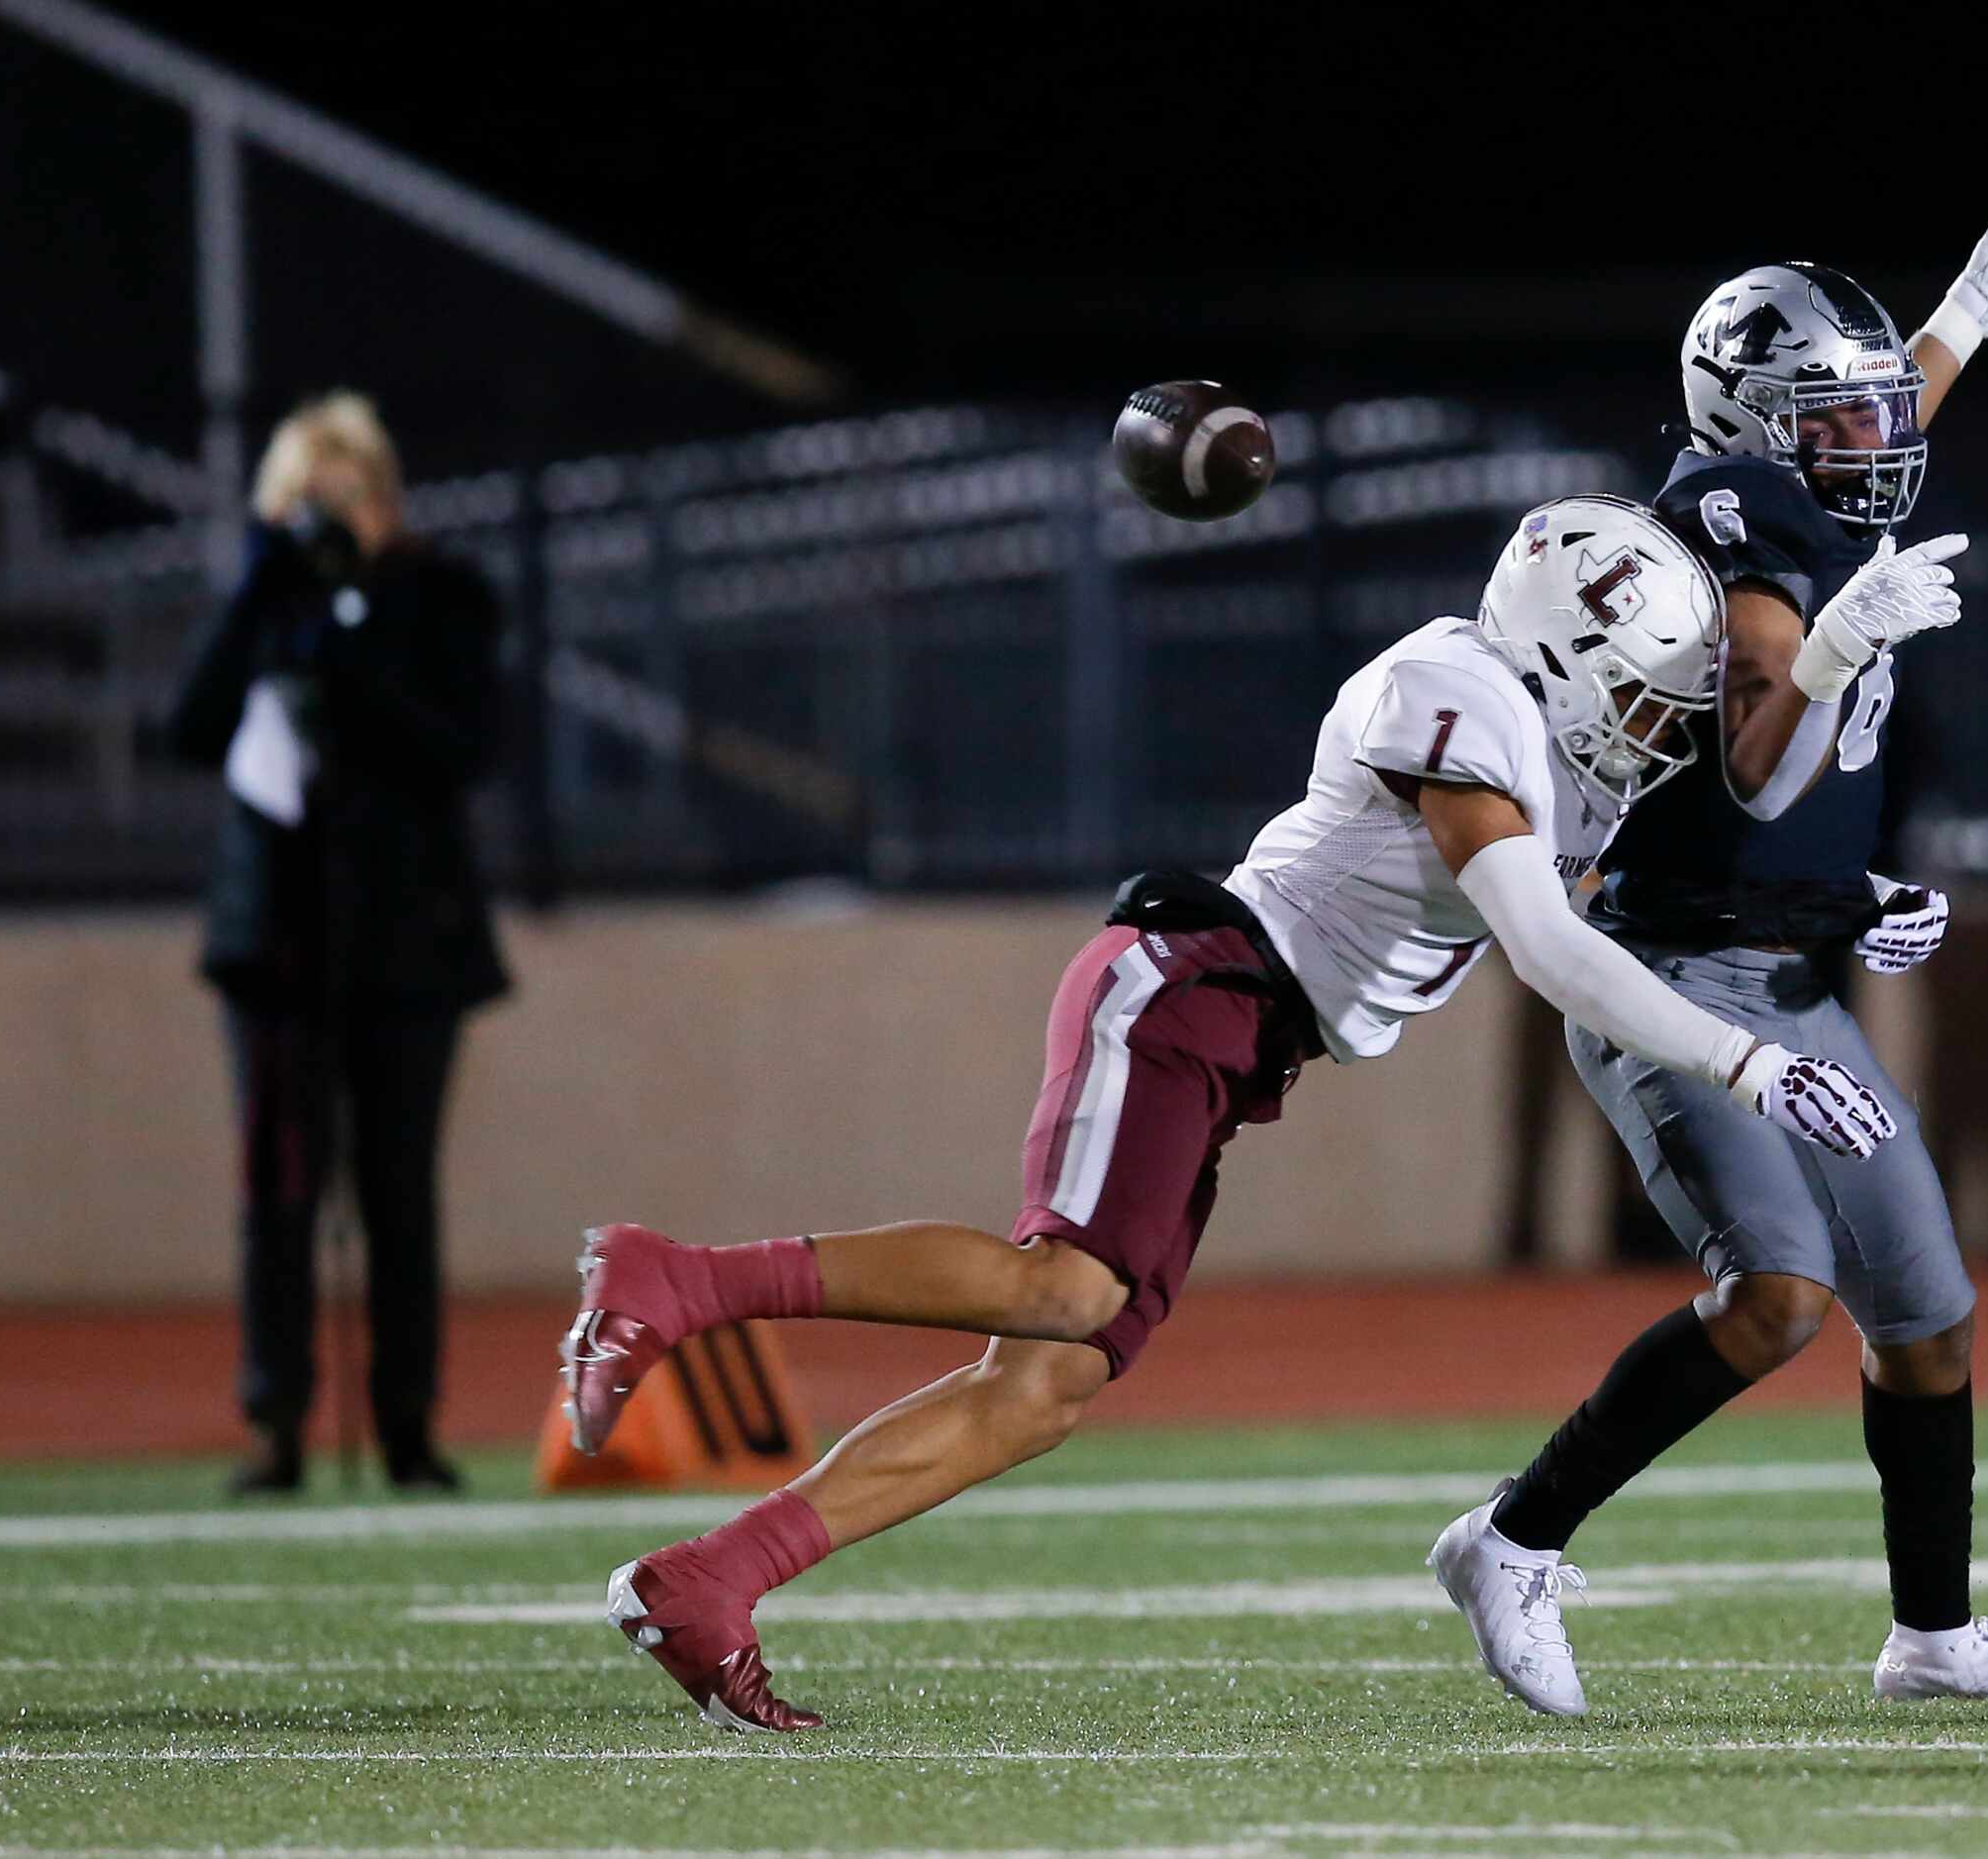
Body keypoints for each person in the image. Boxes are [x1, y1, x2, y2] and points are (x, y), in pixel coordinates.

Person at [562, 495, 1905, 1733]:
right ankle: (672, 1278)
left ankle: (708, 1581)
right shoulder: (1453, 693)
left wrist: (1841, 900)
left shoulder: (1558, 748)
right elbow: (1548, 946)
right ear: (1561, 647)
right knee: (1067, 1289)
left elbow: (1641, 896)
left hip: (1245, 1034)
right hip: (1190, 977)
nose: (1650, 724)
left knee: (1044, 1387)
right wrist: (1748, 1063)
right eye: (1634, 689)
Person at [1431, 173, 1988, 1723]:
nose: (1879, 436)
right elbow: (1749, 758)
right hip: (1668, 980)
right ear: (1750, 424)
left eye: (1873, 411)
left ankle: (1931, 1636)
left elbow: (1855, 425)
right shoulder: (1728, 527)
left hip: (1787, 963)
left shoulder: (1797, 481)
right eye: (1839, 417)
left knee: (1926, 1318)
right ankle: (1511, 1536)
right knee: (1777, 1296)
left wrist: (1966, 314)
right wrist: (1830, 647)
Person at [164, 390, 511, 1496]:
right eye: (303, 503)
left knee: (399, 1189)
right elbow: (190, 729)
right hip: (276, 945)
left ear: (387, 502)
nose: (324, 522)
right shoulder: (260, 606)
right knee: (279, 1186)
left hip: (411, 938)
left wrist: (358, 654)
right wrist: (263, 597)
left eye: (345, 499)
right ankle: (274, 1422)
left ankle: (408, 1426)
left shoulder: (444, 599)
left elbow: (462, 750)